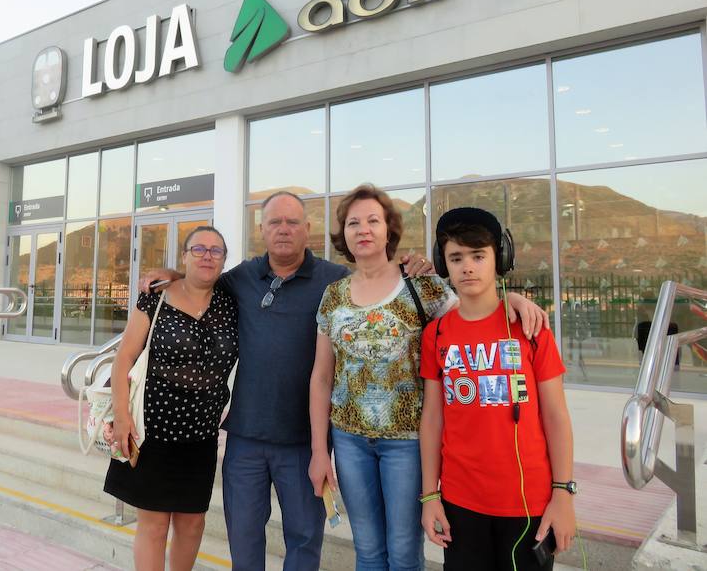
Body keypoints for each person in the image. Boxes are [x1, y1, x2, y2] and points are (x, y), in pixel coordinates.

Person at [141, 191, 546, 570]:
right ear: (262, 230)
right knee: (256, 542)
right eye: (274, 222)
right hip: (264, 439)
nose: (283, 229)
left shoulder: (344, 280)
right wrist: (173, 272)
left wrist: (509, 297)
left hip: (337, 442)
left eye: (293, 222)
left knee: (333, 543)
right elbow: (202, 278)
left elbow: (466, 303)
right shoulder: (250, 279)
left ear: (308, 230)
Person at [308, 184, 458, 570]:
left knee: (405, 552)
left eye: (373, 220)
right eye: (354, 222)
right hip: (349, 440)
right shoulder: (334, 295)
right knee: (369, 550)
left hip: (408, 442)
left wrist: (514, 299)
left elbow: (477, 309)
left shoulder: (422, 286)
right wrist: (320, 451)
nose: (363, 229)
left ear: (388, 230)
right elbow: (322, 377)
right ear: (343, 234)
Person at [419, 208, 575, 571]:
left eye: (478, 256)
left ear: (499, 259)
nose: (467, 267)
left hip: (528, 503)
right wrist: (430, 495)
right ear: (445, 265)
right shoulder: (436, 334)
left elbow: (555, 416)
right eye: (456, 258)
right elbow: (432, 418)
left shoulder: (531, 330)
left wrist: (563, 493)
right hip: (460, 502)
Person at [105, 225, 238, 571]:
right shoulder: (157, 296)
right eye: (198, 249)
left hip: (201, 437)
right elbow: (124, 358)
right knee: (154, 525)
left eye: (216, 251)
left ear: (224, 259)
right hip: (153, 432)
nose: (207, 256)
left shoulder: (232, 302)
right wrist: (121, 415)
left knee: (193, 523)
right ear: (184, 255)